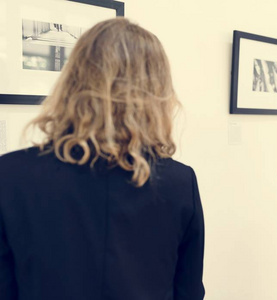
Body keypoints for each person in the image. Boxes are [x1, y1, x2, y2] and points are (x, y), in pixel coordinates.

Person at [0, 18, 204, 300]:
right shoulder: (179, 182)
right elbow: (189, 292)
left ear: (73, 80)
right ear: (157, 93)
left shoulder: (11, 175)